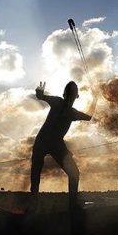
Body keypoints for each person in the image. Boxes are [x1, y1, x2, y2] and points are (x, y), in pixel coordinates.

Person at [30, 81, 98, 211]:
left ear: (75, 96)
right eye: (71, 92)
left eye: (73, 92)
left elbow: (89, 117)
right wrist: (40, 93)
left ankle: (71, 206)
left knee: (73, 173)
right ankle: (34, 206)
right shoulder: (59, 103)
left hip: (53, 143)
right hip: (45, 142)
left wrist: (95, 100)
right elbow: (41, 97)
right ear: (70, 95)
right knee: (36, 174)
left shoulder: (65, 107)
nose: (71, 95)